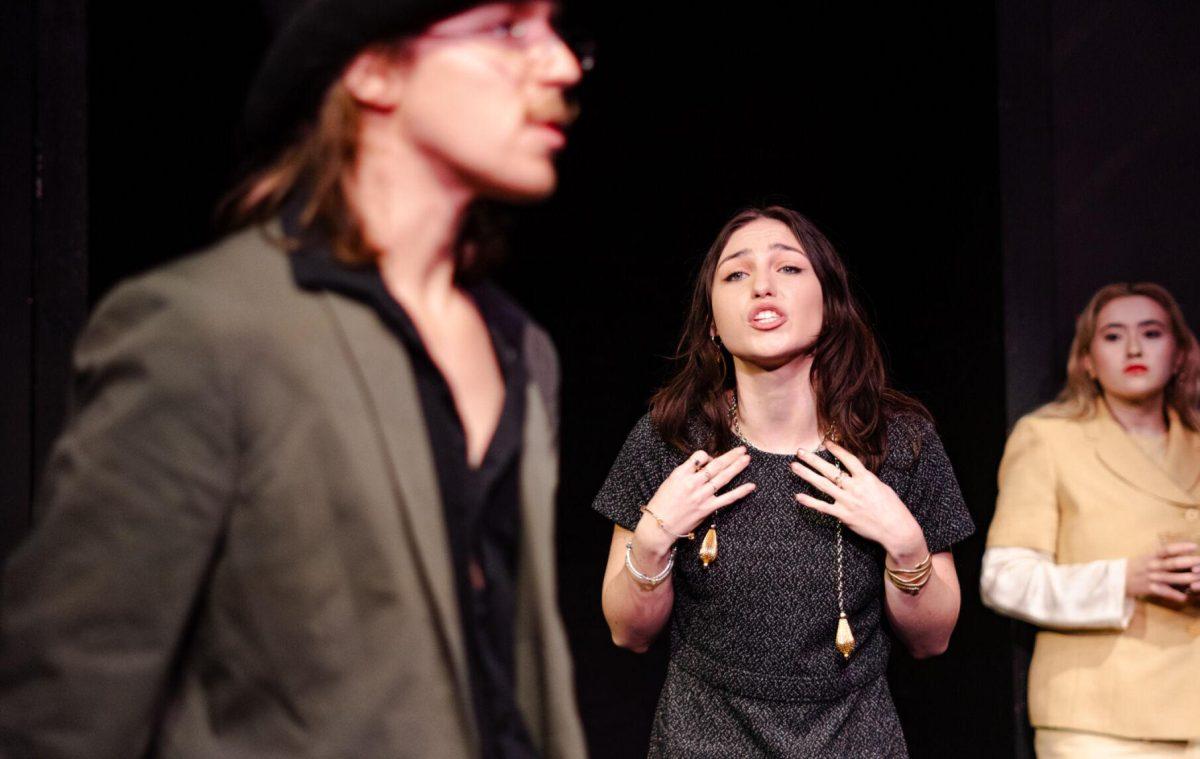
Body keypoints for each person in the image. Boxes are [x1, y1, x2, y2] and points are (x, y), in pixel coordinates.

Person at [0, 1, 588, 757]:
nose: (563, 65)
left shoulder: (522, 350)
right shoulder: (204, 330)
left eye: (558, 29)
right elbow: (61, 712)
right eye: (509, 27)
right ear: (374, 68)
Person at [591, 206, 975, 757]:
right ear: (712, 324)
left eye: (789, 269)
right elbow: (629, 633)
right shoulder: (670, 438)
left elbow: (932, 639)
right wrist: (653, 542)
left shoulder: (899, 441)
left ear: (830, 302)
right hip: (703, 742)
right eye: (737, 274)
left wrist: (907, 544)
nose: (763, 286)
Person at [982, 282, 1200, 757]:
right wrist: (1123, 579)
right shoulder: (1049, 439)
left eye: (1152, 332)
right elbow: (1005, 580)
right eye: (1113, 336)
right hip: (1097, 720)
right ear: (1086, 360)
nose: (1135, 348)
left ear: (1181, 354)